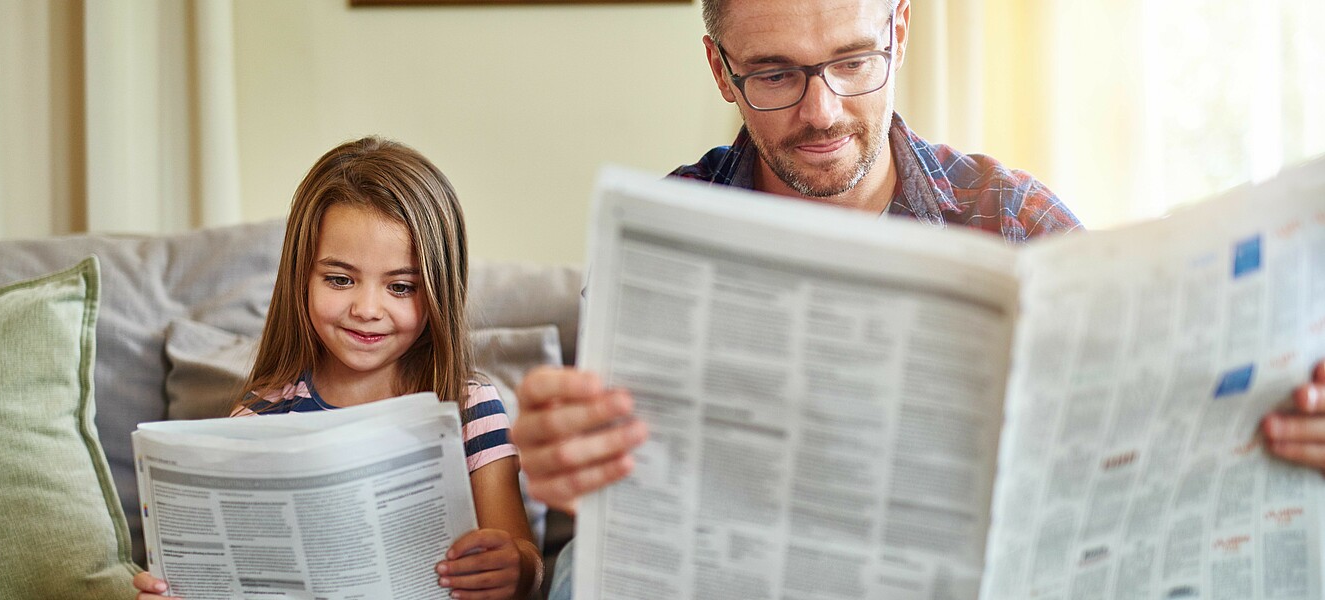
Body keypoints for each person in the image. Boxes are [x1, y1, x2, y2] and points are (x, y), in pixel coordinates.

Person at [509, 0, 1325, 597]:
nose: (819, 111)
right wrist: (562, 464)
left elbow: (1154, 418)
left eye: (853, 61)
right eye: (774, 74)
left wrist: (1291, 419)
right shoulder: (662, 235)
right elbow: (606, 490)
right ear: (720, 68)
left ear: (899, 31)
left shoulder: (1007, 214)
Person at [134, 137, 542, 600]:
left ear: (438, 291)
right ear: (301, 278)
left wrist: (517, 570)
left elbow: (523, 560)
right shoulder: (261, 416)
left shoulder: (469, 406)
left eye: (402, 287)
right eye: (340, 279)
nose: (367, 308)